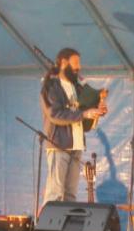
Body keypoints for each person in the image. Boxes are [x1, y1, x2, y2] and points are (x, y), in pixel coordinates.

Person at [40, 48, 107, 204]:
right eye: (76, 63)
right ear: (64, 63)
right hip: (59, 145)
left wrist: (97, 111)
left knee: (70, 195)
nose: (79, 67)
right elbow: (55, 115)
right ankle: (50, 221)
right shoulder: (51, 87)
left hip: (76, 146)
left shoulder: (77, 87)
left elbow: (83, 116)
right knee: (55, 194)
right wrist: (84, 114)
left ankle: (67, 221)